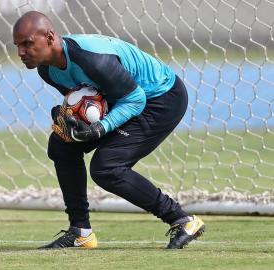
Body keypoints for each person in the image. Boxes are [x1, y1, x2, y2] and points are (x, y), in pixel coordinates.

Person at [12, 11, 205, 249]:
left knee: (107, 168)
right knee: (61, 145)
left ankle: (182, 220)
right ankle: (80, 232)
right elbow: (88, 98)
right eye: (18, 46)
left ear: (50, 37)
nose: (20, 52)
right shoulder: (47, 69)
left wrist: (99, 129)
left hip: (161, 98)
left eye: (27, 44)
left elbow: (135, 99)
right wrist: (68, 115)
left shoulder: (93, 59)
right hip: (122, 98)